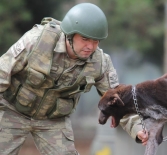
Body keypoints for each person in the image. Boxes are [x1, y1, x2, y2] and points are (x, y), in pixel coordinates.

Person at [0, 3, 148, 155]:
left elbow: (118, 101)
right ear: (69, 35)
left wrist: (138, 129)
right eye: (85, 39)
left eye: (95, 41)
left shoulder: (100, 63)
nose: (90, 46)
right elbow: (2, 72)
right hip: (13, 110)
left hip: (52, 120)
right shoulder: (37, 41)